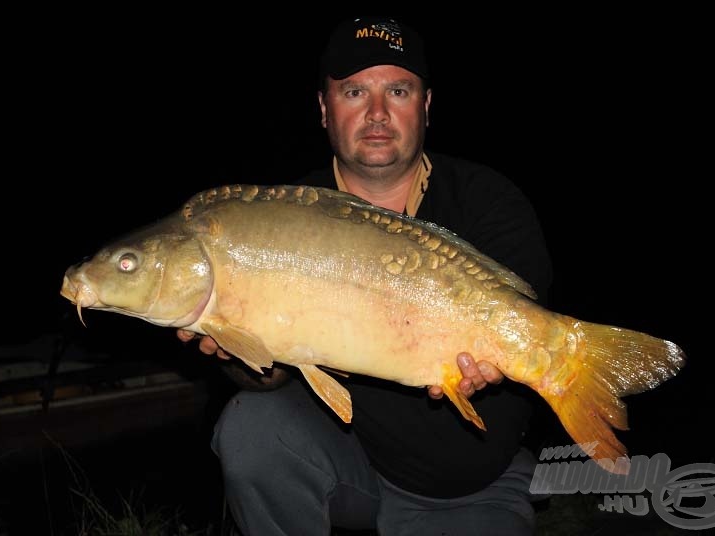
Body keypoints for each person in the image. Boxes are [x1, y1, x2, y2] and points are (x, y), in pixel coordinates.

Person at [178, 16, 552, 535]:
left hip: (472, 483)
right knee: (250, 426)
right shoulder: (285, 218)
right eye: (354, 91)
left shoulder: (489, 202)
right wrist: (236, 348)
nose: (377, 113)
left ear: (425, 105)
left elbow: (522, 324)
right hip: (351, 461)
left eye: (397, 90)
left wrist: (505, 356)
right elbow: (272, 374)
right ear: (324, 109)